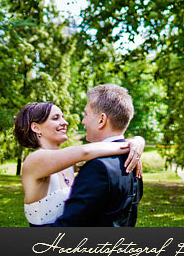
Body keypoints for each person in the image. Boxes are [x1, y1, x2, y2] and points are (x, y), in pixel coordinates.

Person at [13, 99, 144, 227]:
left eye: (63, 117)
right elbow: (85, 151)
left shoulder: (69, 164)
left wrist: (138, 141)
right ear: (36, 127)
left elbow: (98, 159)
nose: (65, 122)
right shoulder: (35, 160)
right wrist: (129, 146)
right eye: (56, 118)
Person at [52, 83, 143, 227]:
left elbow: (69, 226)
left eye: (86, 114)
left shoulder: (98, 167)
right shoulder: (133, 161)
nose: (83, 121)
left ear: (101, 120)